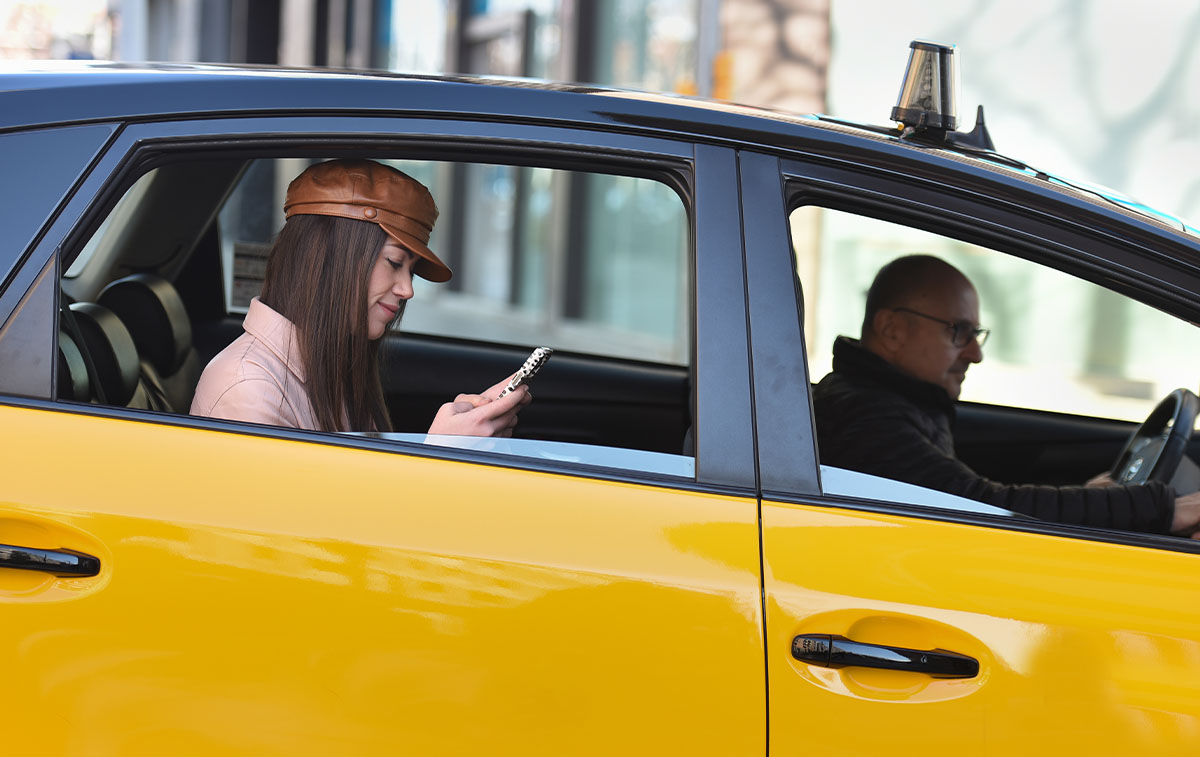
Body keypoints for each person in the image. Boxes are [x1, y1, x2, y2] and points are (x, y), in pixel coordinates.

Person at [812, 254, 1200, 537]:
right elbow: (984, 507)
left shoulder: (892, 401)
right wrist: (1161, 510)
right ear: (892, 329)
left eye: (975, 335)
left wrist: (1087, 499)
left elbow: (968, 497)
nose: (975, 354)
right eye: (959, 332)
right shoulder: (865, 419)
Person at [191, 158, 528, 436]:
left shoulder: (329, 363)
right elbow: (308, 519)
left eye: (409, 271)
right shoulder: (248, 388)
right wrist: (439, 453)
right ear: (330, 258)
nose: (407, 289)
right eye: (395, 263)